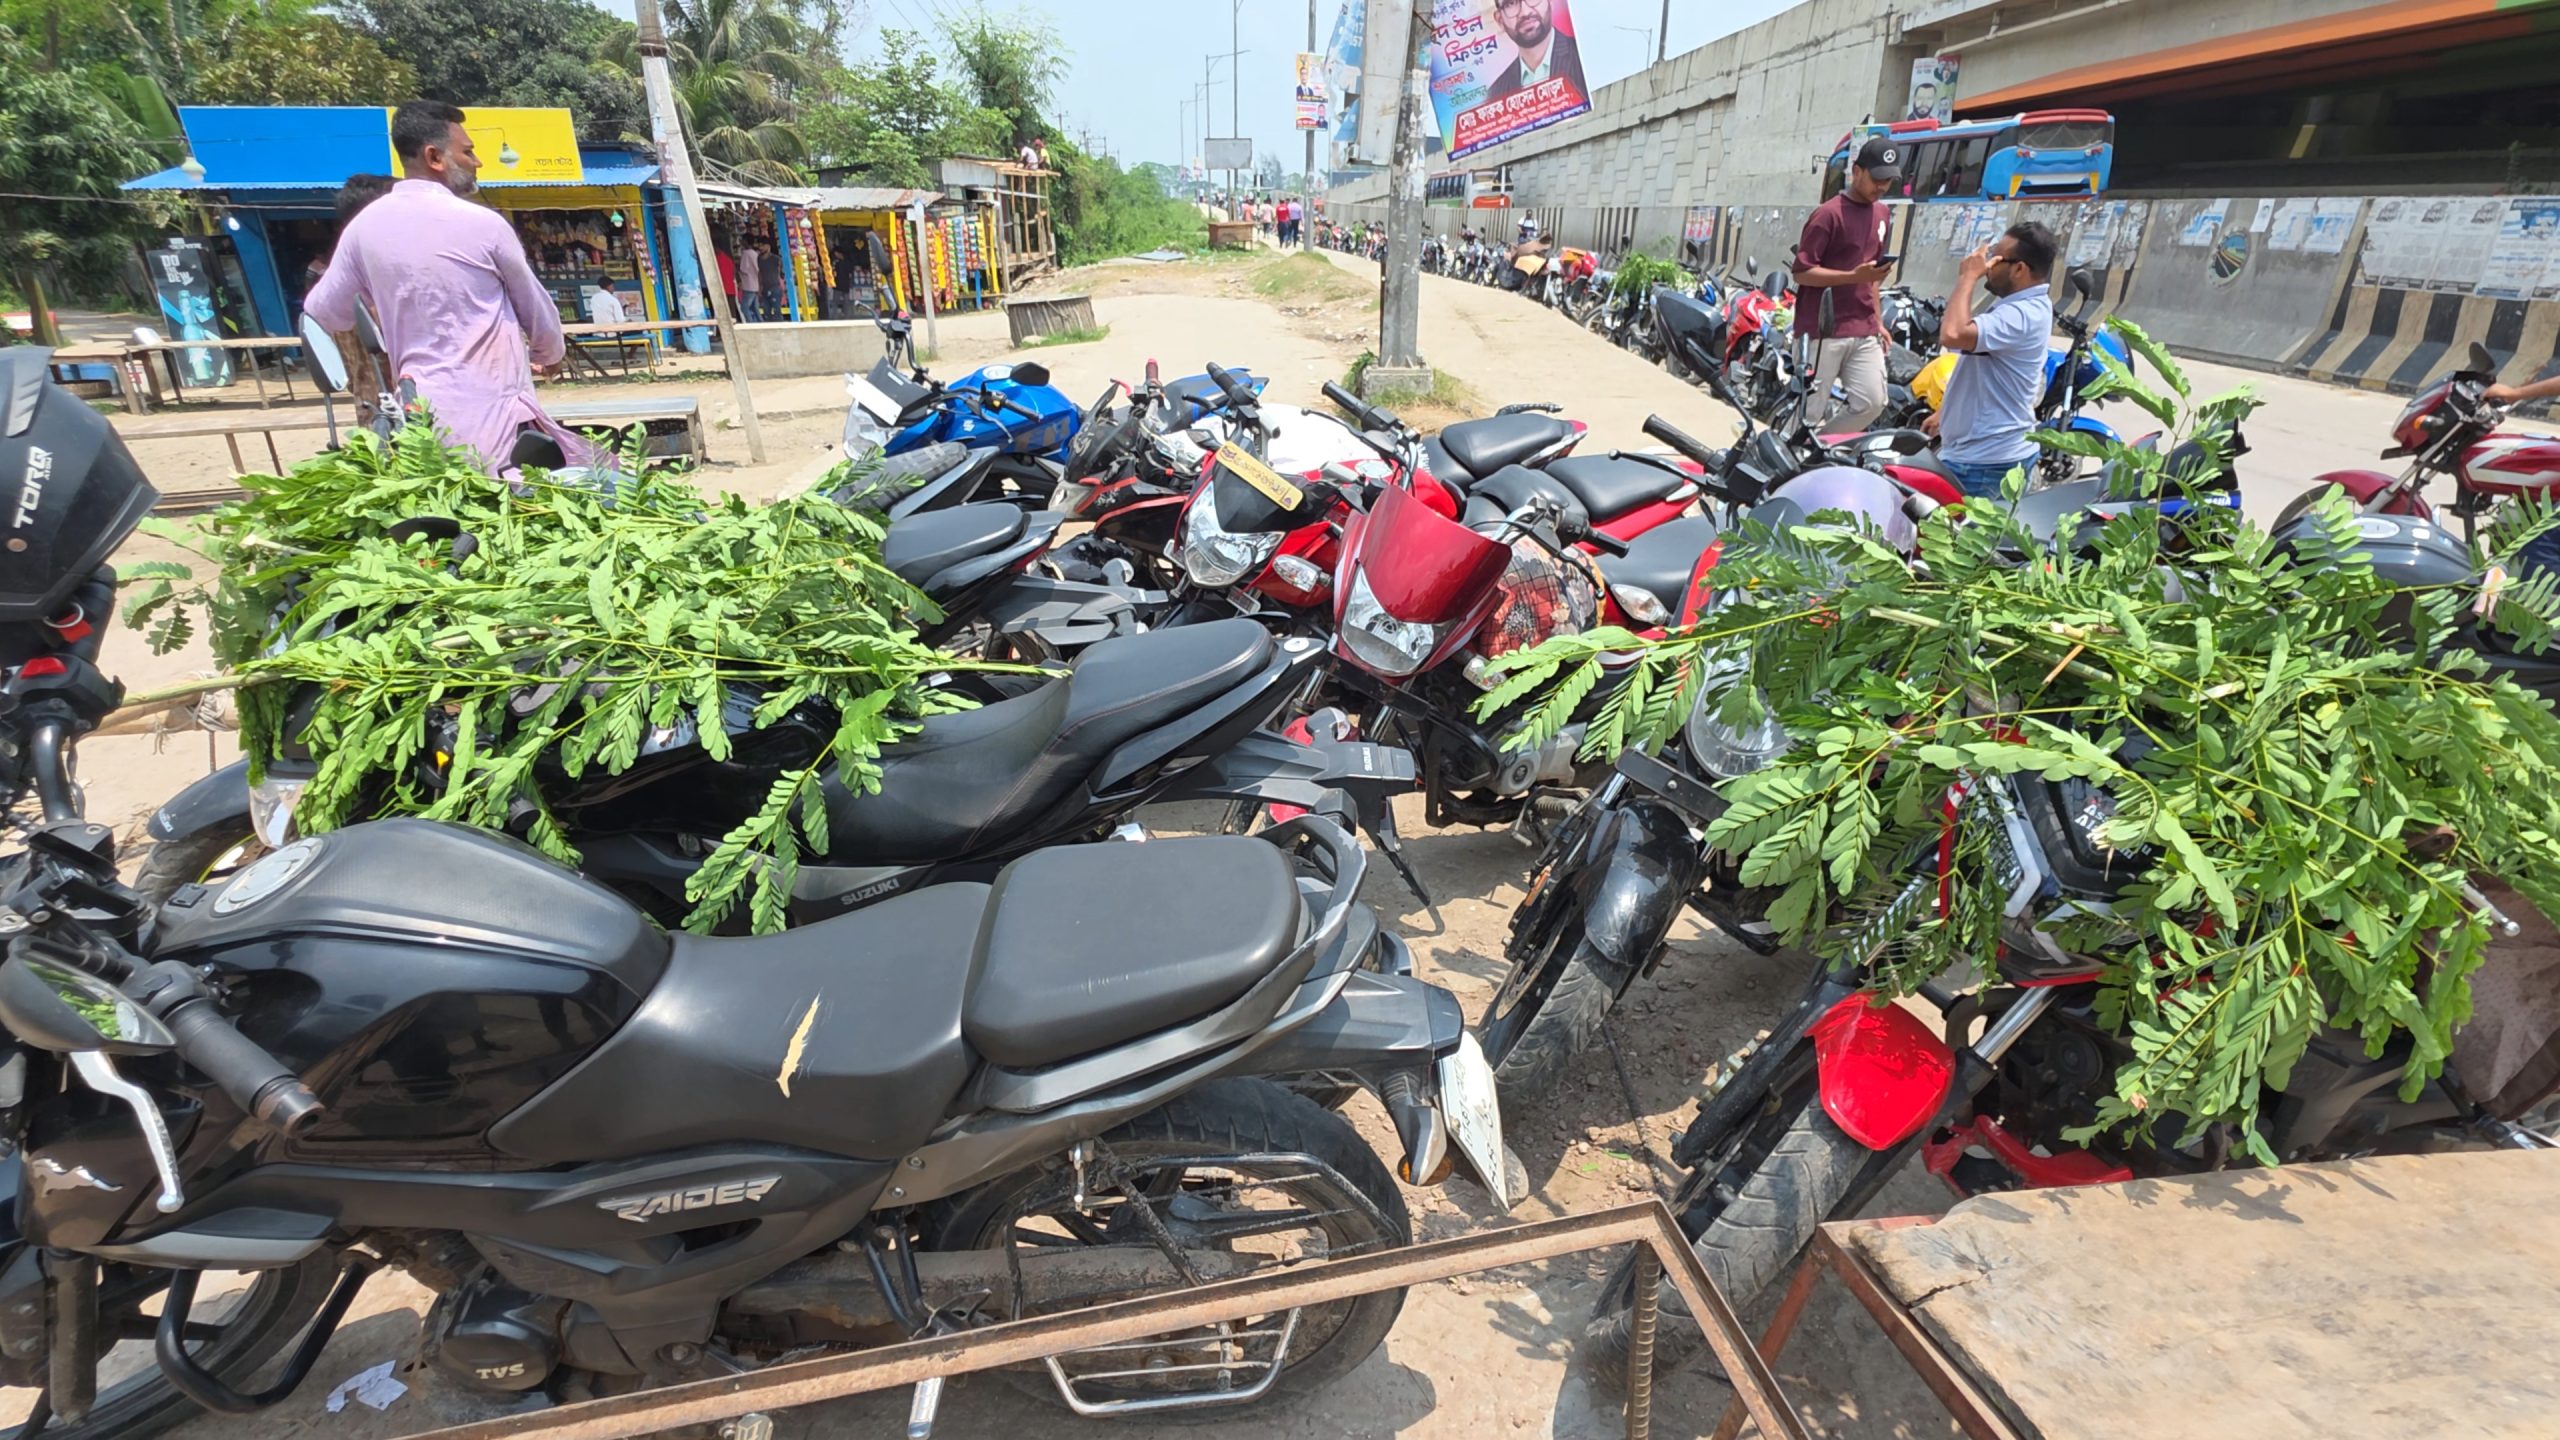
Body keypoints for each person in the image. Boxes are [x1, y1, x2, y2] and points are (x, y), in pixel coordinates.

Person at [303, 101, 590, 477]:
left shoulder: (363, 228)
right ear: (434, 157)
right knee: (514, 506)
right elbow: (533, 306)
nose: (477, 162)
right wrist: (549, 352)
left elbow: (324, 312)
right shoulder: (483, 225)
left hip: (424, 421)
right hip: (498, 418)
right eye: (468, 151)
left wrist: (380, 293)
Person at [1926, 221, 2056, 500]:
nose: (1986, 265)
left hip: (1984, 462)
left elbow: (1952, 334)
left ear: (2019, 269)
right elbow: (1984, 373)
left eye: (1996, 258)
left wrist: (1968, 278)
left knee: (1951, 541)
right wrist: (1946, 415)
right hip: (1981, 452)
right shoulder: (2016, 305)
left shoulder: (2023, 314)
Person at [1791, 134, 1900, 434]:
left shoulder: (1882, 214)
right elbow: (1802, 272)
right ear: (1857, 172)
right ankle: (1787, 465)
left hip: (1864, 326)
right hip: (1823, 329)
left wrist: (1878, 321)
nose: (1881, 186)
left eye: (1888, 180)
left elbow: (1873, 277)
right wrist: (1853, 277)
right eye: (1876, 178)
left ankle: (1818, 448)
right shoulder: (1827, 214)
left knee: (1872, 402)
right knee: (1807, 412)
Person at [1484, 0, 1586, 104]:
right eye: (1511, 3)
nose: (1525, 12)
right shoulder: (1495, 94)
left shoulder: (1584, 56)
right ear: (1500, 20)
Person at [736, 241, 763, 322]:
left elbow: (743, 269)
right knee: (755, 308)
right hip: (755, 284)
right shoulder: (755, 254)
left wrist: (737, 267)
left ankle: (750, 323)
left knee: (744, 307)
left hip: (748, 285)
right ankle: (761, 323)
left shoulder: (746, 253)